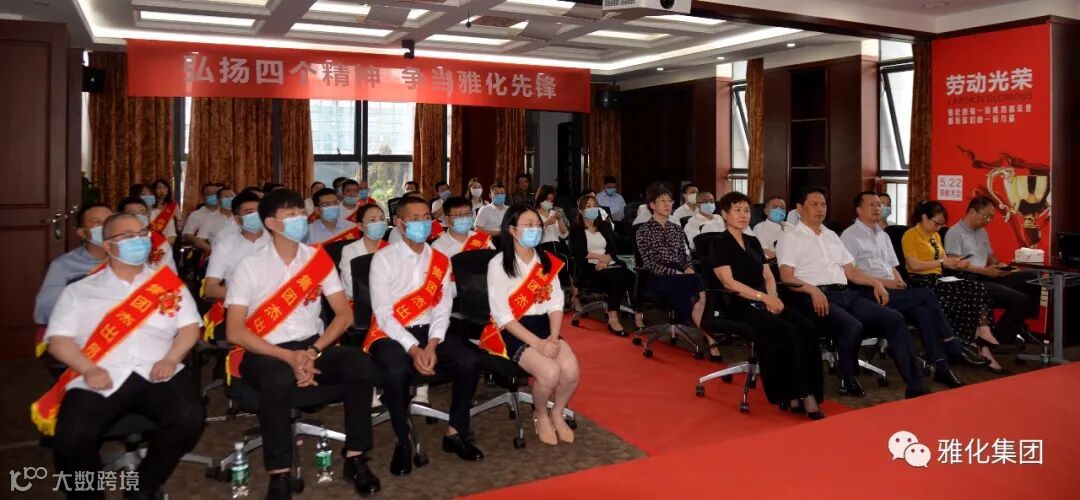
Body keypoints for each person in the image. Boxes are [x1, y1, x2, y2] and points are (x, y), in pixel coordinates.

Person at [225, 189, 380, 498]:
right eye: (289, 215)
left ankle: (356, 457)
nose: (299, 219)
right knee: (277, 377)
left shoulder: (317, 259)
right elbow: (235, 331)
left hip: (313, 346)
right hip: (265, 350)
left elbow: (344, 315)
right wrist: (288, 357)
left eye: (300, 212)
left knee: (360, 364)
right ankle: (279, 473)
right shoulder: (249, 266)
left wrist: (312, 352)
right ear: (271, 223)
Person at [39, 213, 204, 499]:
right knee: (71, 435)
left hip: (157, 370)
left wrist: (171, 358)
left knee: (189, 417)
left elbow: (190, 329)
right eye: (127, 237)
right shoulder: (80, 290)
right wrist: (87, 368)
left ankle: (144, 485)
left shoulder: (168, 284)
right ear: (108, 245)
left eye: (142, 234)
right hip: (100, 372)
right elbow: (58, 341)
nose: (138, 241)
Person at [368, 196, 484, 474]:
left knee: (469, 360)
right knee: (396, 370)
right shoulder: (383, 259)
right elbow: (383, 314)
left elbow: (443, 308)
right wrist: (413, 348)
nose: (422, 224)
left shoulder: (439, 260)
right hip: (391, 333)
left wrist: (432, 344)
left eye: (426, 218)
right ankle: (402, 440)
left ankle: (456, 431)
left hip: (430, 331)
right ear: (399, 224)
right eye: (415, 219)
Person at [777, 186, 928, 398]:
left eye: (823, 205)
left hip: (845, 293)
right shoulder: (791, 237)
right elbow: (786, 276)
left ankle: (915, 385)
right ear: (800, 208)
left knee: (894, 318)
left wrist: (875, 283)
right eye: (814, 204)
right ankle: (847, 377)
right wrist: (812, 290)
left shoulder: (831, 235)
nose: (820, 209)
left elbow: (851, 271)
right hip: (814, 297)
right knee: (852, 326)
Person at [840, 192, 976, 389]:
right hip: (868, 292)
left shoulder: (883, 235)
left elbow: (892, 266)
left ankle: (942, 368)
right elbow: (852, 274)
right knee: (927, 294)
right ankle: (951, 343)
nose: (878, 208)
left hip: (891, 290)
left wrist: (898, 279)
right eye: (872, 205)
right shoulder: (850, 236)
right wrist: (886, 283)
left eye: (879, 204)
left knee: (924, 312)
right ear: (859, 210)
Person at [711, 191, 825, 418]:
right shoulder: (718, 243)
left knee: (807, 328)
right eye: (737, 210)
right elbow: (729, 282)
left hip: (765, 300)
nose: (743, 215)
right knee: (786, 331)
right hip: (738, 303)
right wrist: (763, 298)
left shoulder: (752, 241)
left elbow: (769, 275)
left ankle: (804, 392)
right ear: (724, 214)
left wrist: (772, 296)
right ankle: (802, 394)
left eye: (746, 210)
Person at [485, 204, 579, 446]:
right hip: (513, 330)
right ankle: (540, 413)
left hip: (545, 327)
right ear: (512, 230)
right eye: (528, 225)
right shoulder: (499, 264)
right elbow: (503, 316)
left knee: (571, 371)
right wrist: (538, 344)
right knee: (550, 373)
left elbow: (556, 303)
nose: (535, 230)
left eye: (538, 225)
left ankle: (557, 412)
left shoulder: (547, 261)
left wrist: (554, 338)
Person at [903, 200, 1010, 373]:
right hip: (921, 281)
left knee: (978, 288)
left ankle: (981, 334)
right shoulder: (910, 235)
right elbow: (914, 265)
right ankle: (967, 342)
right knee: (967, 295)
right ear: (924, 218)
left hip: (939, 279)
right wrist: (943, 262)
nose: (939, 227)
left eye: (941, 224)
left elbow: (944, 261)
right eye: (936, 223)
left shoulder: (935, 236)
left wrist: (957, 263)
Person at [945, 195, 1041, 346]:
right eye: (986, 216)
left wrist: (1001, 265)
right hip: (969, 281)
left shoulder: (982, 231)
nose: (989, 220)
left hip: (986, 275)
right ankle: (1001, 338)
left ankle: (1018, 323)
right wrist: (984, 271)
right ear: (972, 212)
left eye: (991, 217)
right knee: (1022, 300)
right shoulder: (954, 233)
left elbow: (990, 256)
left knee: (1032, 277)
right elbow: (954, 264)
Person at [33, 204, 112, 348]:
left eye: (109, 221)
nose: (105, 227)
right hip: (84, 340)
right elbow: (44, 311)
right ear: (82, 233)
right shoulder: (64, 266)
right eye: (97, 223)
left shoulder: (129, 261)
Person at [635, 184, 707, 333]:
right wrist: (676, 273)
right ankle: (694, 323)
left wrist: (687, 267)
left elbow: (684, 254)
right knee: (692, 281)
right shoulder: (643, 231)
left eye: (670, 201)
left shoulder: (676, 229)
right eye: (663, 201)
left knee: (698, 278)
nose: (668, 205)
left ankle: (700, 323)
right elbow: (649, 263)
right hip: (656, 275)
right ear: (652, 205)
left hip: (678, 271)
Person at [568, 194, 639, 335]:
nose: (592, 208)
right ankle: (613, 319)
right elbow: (578, 252)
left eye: (595, 206)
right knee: (618, 277)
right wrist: (600, 257)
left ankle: (637, 313)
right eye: (588, 206)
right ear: (581, 211)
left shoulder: (604, 226)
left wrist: (605, 260)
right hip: (589, 267)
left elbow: (613, 248)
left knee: (632, 276)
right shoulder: (576, 230)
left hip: (609, 263)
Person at [203, 191, 270, 302]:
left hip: (276, 305)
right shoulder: (224, 245)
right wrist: (247, 296)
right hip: (239, 304)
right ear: (238, 219)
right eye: (250, 212)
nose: (256, 215)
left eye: (259, 211)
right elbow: (210, 289)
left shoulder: (276, 240)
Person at [339, 204, 390, 300]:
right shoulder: (350, 250)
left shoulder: (391, 249)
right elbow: (351, 287)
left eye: (382, 219)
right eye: (372, 220)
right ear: (360, 226)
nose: (379, 223)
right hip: (359, 302)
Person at [117, 197, 176, 272]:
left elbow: (169, 272)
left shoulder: (158, 242)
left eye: (142, 213)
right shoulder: (114, 240)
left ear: (148, 216)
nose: (138, 217)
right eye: (132, 214)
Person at [149, 179, 180, 245]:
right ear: (154, 190)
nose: (162, 190)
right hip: (150, 240)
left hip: (168, 240)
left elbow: (179, 225)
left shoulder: (173, 205)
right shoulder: (149, 205)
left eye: (165, 188)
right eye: (159, 188)